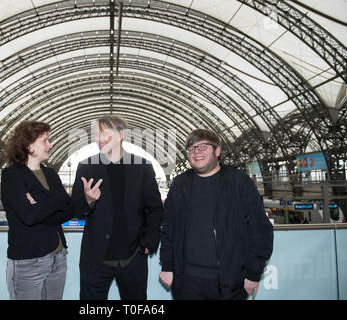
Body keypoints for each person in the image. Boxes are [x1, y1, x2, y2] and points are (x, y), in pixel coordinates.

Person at [159, 128, 273, 300]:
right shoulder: (180, 184)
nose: (196, 152)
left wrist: (253, 271)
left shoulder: (238, 182)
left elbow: (259, 229)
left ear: (217, 150)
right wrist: (167, 265)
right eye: (191, 149)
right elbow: (169, 227)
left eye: (203, 147)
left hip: (230, 280)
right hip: (187, 280)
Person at [1, 121, 101, 300]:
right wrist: (59, 200)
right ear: (28, 145)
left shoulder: (50, 174)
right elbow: (29, 216)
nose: (51, 145)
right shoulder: (12, 175)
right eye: (45, 141)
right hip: (29, 261)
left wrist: (87, 200)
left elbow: (65, 213)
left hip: (58, 257)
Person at [72, 115, 164, 300]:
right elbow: (74, 209)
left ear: (121, 134)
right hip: (96, 259)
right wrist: (88, 200)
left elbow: (155, 208)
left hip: (133, 258)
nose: (99, 139)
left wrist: (148, 243)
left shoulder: (143, 167)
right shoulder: (86, 167)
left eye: (104, 133)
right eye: (96, 134)